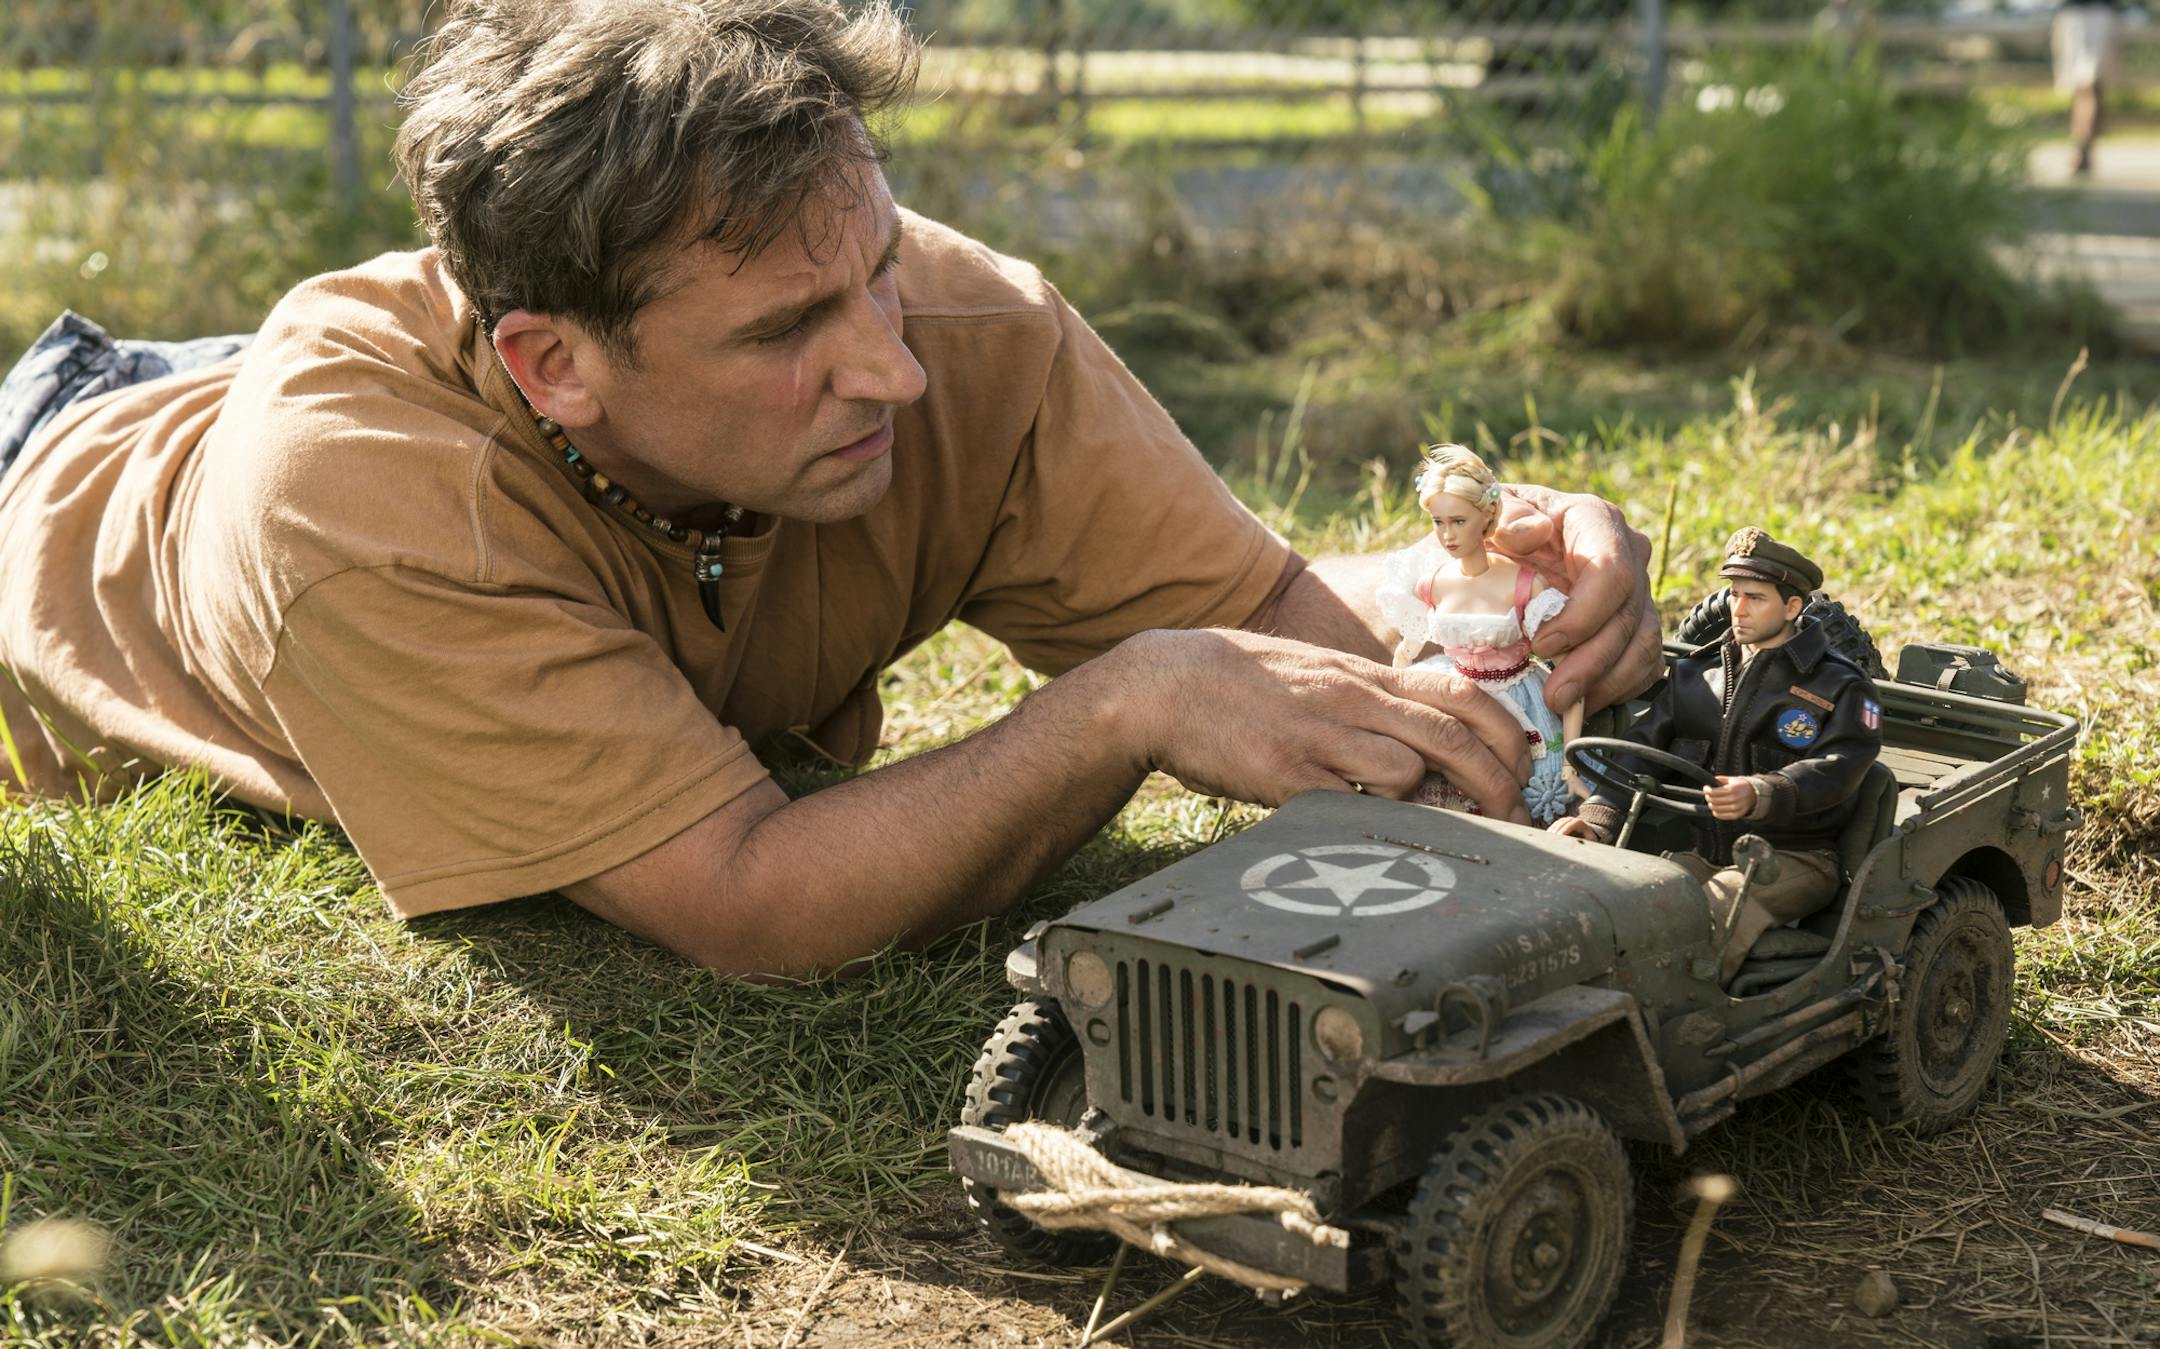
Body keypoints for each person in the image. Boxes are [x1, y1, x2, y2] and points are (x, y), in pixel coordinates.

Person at [0, 0, 1660, 978]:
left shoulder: (943, 318)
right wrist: (1116, 709)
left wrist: (1490, 589)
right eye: (794, 327)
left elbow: (1258, 625)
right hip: (81, 463)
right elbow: (746, 903)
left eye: (871, 268)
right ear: (554, 369)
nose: (893, 368)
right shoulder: (363, 507)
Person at [1552, 528, 1882, 985]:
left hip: (1794, 858)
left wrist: (1764, 792)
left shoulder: (1838, 685)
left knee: (1712, 911)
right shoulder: (1694, 674)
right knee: (1635, 899)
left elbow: (1842, 765)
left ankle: (1692, 1025)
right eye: (1733, 594)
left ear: (1792, 608)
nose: (1738, 609)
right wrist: (1599, 814)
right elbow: (1642, 747)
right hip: (1703, 850)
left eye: (1756, 598)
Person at [1375, 444, 1582, 824]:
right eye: (1438, 523)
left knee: (1527, 784)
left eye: (1458, 522)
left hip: (1520, 697)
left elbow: (1571, 679)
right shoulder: (1432, 583)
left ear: (1485, 516)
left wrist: (1571, 762)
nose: (1446, 536)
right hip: (1456, 688)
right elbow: (1406, 651)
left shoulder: (1524, 584)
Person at [2053, 0, 2124, 177]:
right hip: (2087, 16)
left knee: (2087, 88)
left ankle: (2083, 145)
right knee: (2089, 88)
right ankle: (2084, 146)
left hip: (2083, 16)